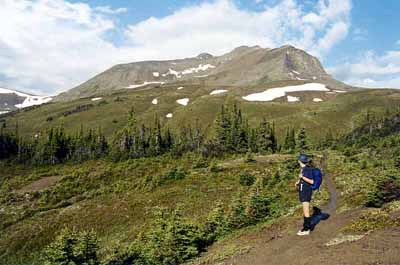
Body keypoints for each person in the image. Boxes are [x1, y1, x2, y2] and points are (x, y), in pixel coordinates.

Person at [295, 153, 315, 236]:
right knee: (305, 209)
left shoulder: (307, 170)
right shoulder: (304, 169)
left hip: (306, 191)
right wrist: (298, 182)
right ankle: (306, 227)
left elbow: (312, 181)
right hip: (303, 190)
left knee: (306, 210)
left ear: (299, 161)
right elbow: (303, 179)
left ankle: (306, 229)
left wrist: (302, 178)